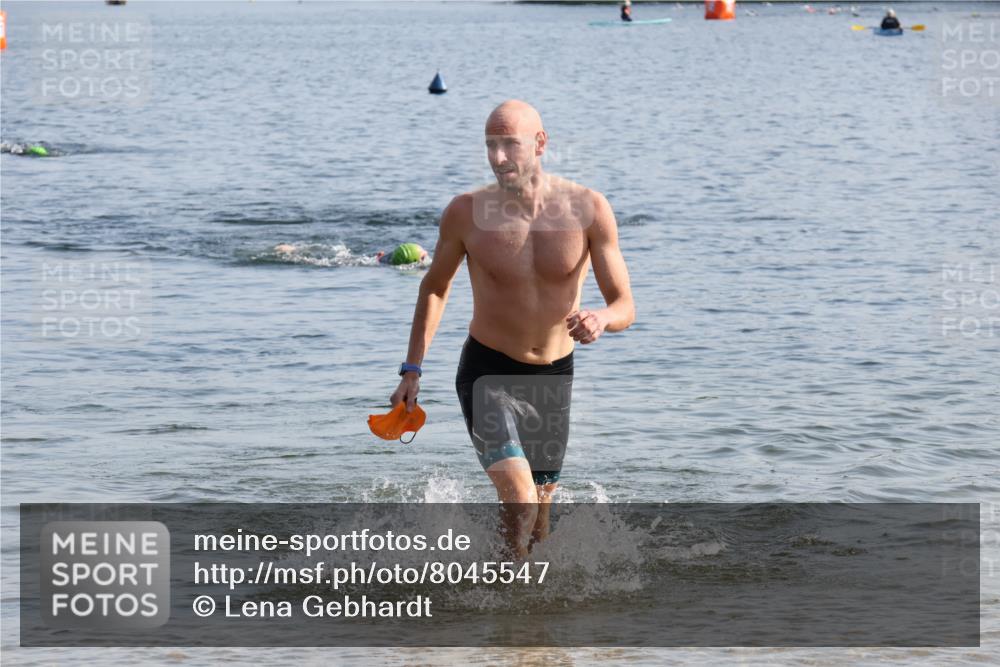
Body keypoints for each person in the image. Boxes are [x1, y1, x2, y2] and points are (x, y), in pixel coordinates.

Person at [388, 100, 635, 557]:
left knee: (540, 524)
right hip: (487, 372)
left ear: (540, 144)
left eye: (510, 145)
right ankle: (502, 602)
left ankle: (520, 616)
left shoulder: (589, 209)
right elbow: (435, 289)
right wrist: (412, 369)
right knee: (519, 500)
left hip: (553, 377)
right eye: (490, 146)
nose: (498, 158)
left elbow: (624, 305)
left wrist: (601, 317)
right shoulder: (466, 213)